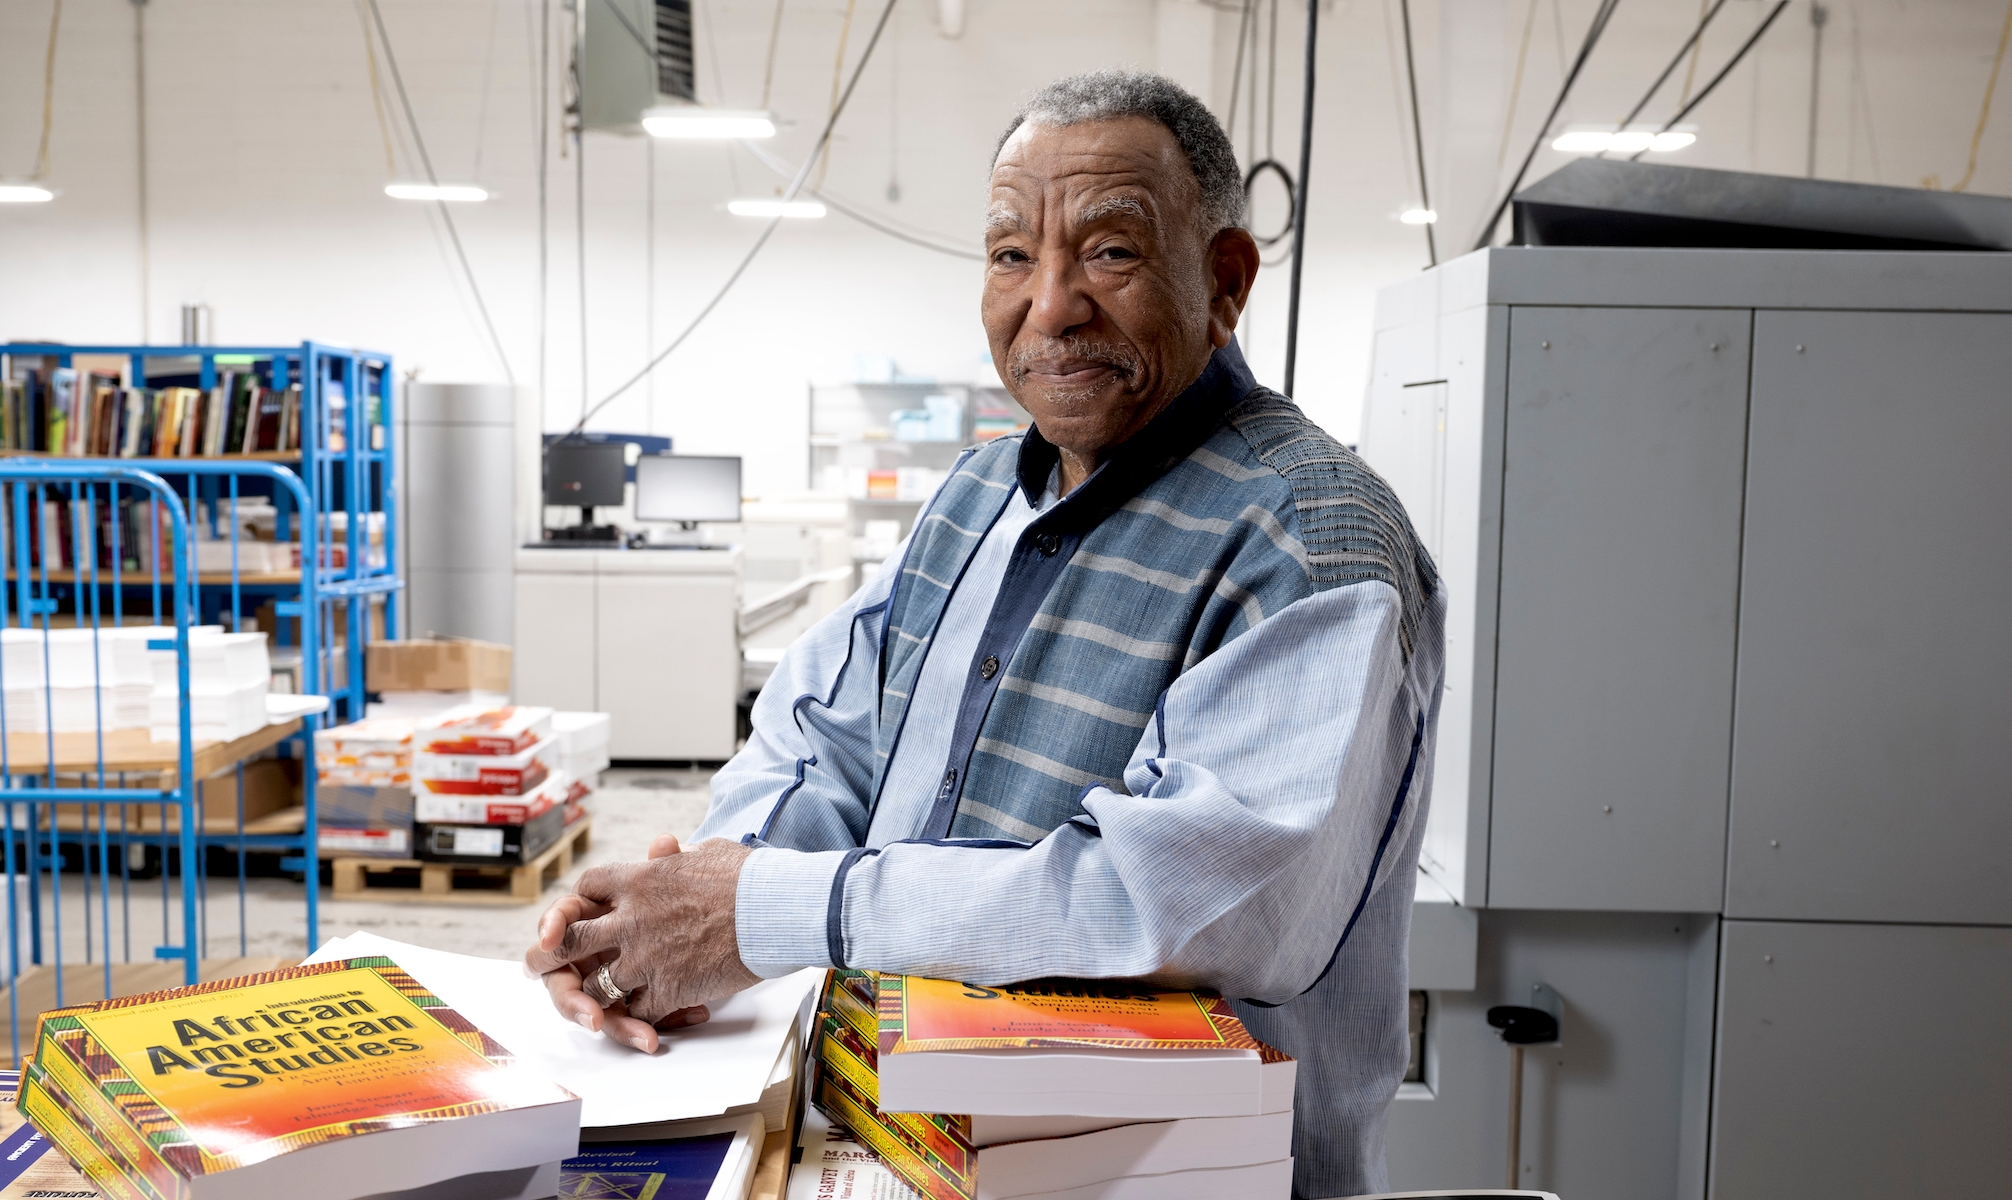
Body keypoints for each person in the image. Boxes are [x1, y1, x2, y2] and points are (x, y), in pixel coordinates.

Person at [524, 69, 1444, 1198]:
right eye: (1012, 255)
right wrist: (685, 923)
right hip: (899, 1136)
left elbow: (1172, 906)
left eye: (1109, 252)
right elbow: (824, 738)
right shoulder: (975, 497)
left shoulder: (1310, 542)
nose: (1049, 306)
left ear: (1224, 280)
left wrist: (763, 908)